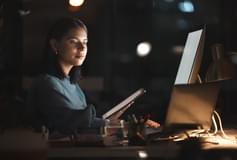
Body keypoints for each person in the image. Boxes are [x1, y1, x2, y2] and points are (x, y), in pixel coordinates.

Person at [26, 17, 159, 137]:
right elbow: (73, 125)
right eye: (73, 41)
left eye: (85, 42)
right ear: (55, 45)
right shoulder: (47, 84)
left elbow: (85, 124)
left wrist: (126, 124)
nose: (82, 47)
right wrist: (126, 126)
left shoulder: (72, 84)